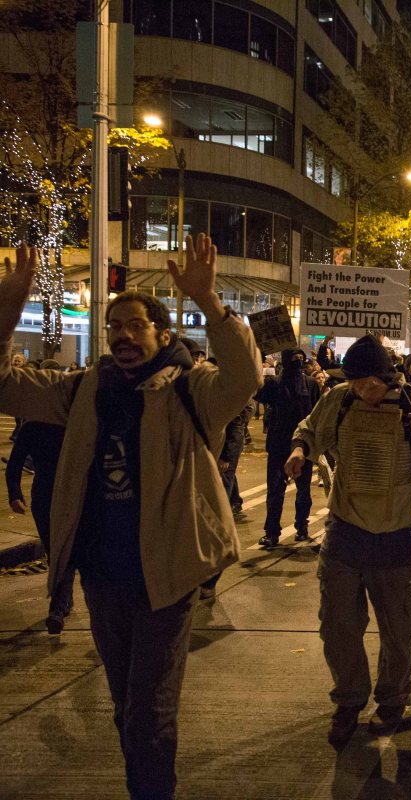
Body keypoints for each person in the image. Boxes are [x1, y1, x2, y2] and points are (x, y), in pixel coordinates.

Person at [0, 236, 261, 799]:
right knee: (127, 707)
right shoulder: (83, 390)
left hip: (167, 577)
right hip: (103, 576)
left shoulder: (191, 388)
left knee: (149, 715)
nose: (122, 334)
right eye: (114, 326)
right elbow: (4, 386)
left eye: (136, 325)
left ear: (162, 335)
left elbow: (244, 378)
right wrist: (8, 310)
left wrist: (210, 302)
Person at [287, 335, 411, 748]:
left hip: (397, 535)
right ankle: (349, 699)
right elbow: (309, 429)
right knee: (337, 626)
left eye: (370, 382)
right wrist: (299, 451)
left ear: (388, 376)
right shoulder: (340, 400)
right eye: (356, 382)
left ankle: (392, 700)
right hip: (345, 532)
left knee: (398, 630)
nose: (364, 390)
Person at [5, 374, 70, 632]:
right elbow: (15, 463)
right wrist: (14, 494)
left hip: (69, 495)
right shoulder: (33, 427)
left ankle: (58, 606)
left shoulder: (75, 423)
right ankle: (63, 600)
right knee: (56, 550)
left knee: (64, 550)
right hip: (44, 496)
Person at [255, 348, 320, 547]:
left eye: (301, 358)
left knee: (303, 490)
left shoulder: (310, 384)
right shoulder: (274, 383)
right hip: (279, 444)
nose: (298, 362)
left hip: (302, 444)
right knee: (276, 490)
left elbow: (317, 412)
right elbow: (259, 394)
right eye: (294, 358)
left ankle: (302, 527)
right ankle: (272, 531)